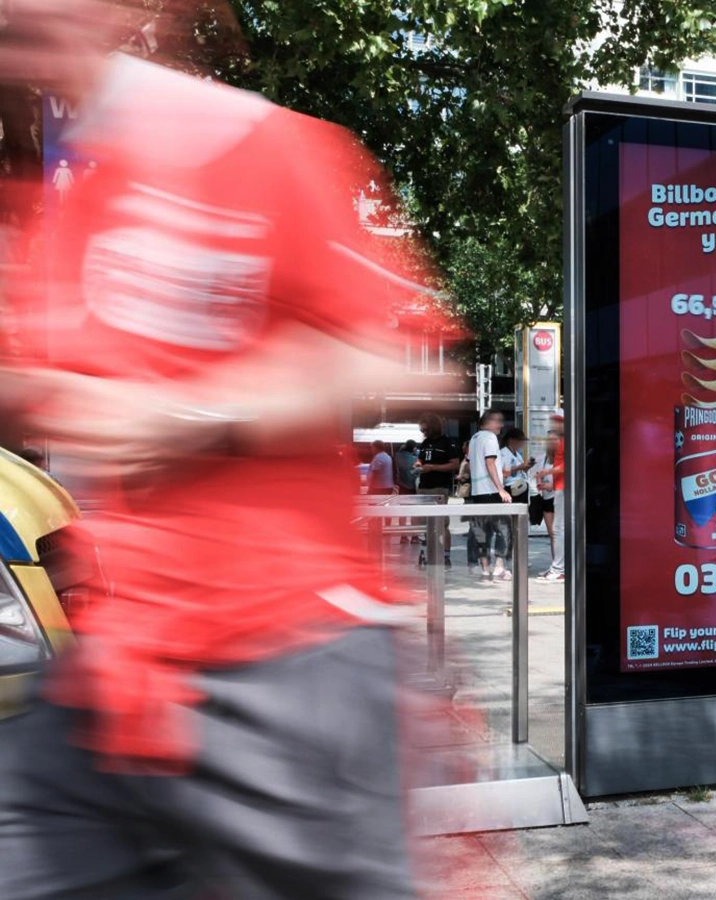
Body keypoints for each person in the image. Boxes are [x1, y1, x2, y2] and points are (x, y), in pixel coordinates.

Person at [0, 2, 437, 895]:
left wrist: (191, 417)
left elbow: (397, 359)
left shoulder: (250, 143)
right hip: (120, 684)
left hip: (288, 663)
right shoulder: (51, 191)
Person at [465, 410, 512, 582]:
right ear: (487, 422)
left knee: (482, 532)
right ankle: (499, 567)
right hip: (492, 491)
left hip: (478, 491)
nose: (500, 425)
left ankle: (485, 568)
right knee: (504, 530)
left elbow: (470, 465)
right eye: (497, 421)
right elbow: (489, 461)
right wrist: (500, 488)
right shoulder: (490, 438)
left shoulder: (475, 438)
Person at [415, 412, 461, 567]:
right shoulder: (425, 443)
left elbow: (454, 464)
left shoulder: (447, 442)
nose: (423, 432)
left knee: (442, 523)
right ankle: (424, 553)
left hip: (439, 488)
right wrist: (418, 466)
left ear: (433, 426)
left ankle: (445, 556)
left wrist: (433, 467)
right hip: (423, 487)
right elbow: (420, 460)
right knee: (423, 523)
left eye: (425, 429)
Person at [539, 409, 566, 583]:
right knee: (559, 530)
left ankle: (558, 569)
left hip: (564, 489)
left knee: (559, 530)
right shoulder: (562, 441)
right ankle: (558, 567)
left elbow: (569, 464)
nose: (554, 425)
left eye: (558, 421)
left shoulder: (566, 440)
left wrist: (548, 471)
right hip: (559, 488)